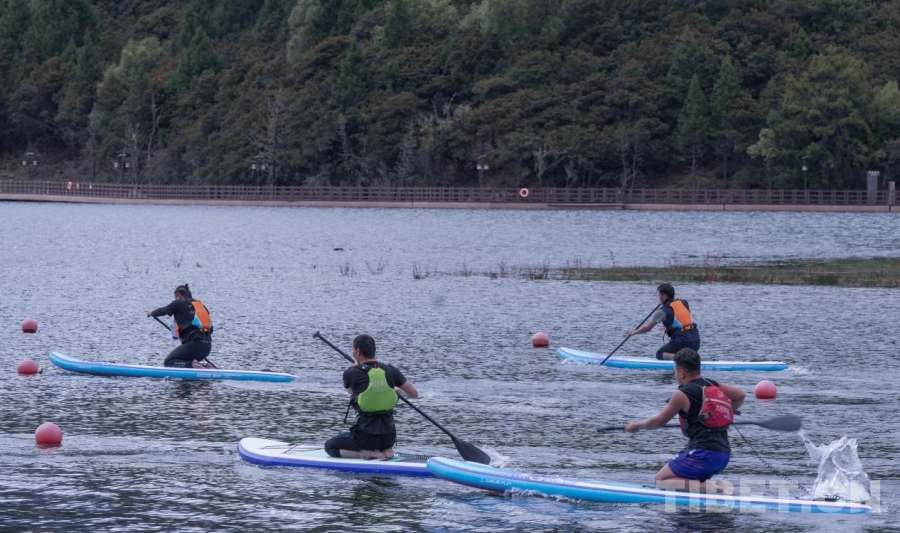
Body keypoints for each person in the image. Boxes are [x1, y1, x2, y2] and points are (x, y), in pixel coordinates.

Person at [625, 348, 746, 495]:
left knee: (661, 480)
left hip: (703, 454)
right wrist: (723, 413)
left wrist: (636, 426)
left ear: (681, 372)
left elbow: (658, 422)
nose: (675, 374)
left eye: (675, 370)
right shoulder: (713, 384)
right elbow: (740, 395)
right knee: (683, 479)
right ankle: (719, 487)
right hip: (723, 454)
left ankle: (712, 488)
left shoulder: (682, 394)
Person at [325, 334, 418, 460]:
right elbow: (414, 394)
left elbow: (351, 393)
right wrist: (398, 390)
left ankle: (364, 454)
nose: (352, 352)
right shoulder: (391, 370)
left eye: (353, 349)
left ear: (358, 351)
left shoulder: (351, 373)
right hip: (389, 437)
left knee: (330, 446)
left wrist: (355, 366)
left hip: (366, 437)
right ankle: (386, 450)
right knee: (382, 435)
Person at [146, 284, 214, 368]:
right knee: (184, 361)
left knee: (169, 362)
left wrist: (152, 313)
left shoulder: (178, 303)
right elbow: (210, 329)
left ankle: (193, 365)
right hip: (207, 347)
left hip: (195, 344)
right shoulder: (201, 306)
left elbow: (164, 310)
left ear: (179, 295)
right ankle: (205, 367)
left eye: (175, 297)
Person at [628, 282, 700, 360]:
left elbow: (647, 328)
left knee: (659, 354)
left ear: (664, 296)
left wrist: (634, 332)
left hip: (681, 342)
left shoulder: (662, 311)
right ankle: (690, 359)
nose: (659, 298)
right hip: (696, 340)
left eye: (659, 295)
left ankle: (681, 358)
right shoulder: (684, 302)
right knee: (685, 352)